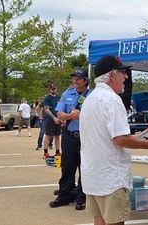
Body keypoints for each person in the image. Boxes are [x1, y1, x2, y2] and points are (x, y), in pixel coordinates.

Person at [80, 55, 148, 225]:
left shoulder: (89, 100)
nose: (126, 76)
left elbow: (106, 136)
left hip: (93, 175)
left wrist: (138, 136)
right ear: (111, 75)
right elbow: (120, 139)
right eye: (122, 72)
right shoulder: (112, 100)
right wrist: (147, 144)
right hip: (111, 178)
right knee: (115, 221)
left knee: (99, 219)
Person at [49, 68, 91, 210]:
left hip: (86, 137)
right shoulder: (67, 93)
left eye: (78, 78)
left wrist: (82, 114)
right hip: (69, 135)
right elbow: (59, 114)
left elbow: (95, 116)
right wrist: (70, 116)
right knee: (67, 166)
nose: (75, 80)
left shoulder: (92, 95)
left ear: (85, 80)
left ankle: (81, 197)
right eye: (73, 78)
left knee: (83, 167)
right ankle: (64, 195)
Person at [42, 83, 61, 158]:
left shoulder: (59, 97)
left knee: (57, 136)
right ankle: (45, 153)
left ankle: (57, 151)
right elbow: (46, 109)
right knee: (48, 135)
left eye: (55, 88)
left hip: (59, 119)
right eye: (52, 89)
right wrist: (54, 118)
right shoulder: (47, 97)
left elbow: (61, 107)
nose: (54, 90)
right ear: (49, 89)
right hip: (50, 119)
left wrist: (61, 118)